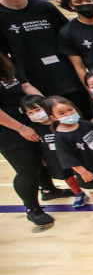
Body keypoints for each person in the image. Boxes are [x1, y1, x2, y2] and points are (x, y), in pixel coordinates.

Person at [0, 0, 91, 119]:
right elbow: (3, 58)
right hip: (36, 85)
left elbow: (68, 37)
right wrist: (25, 84)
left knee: (86, 121)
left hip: (67, 77)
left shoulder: (44, 8)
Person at [0, 61, 56, 227]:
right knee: (27, 169)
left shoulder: (6, 64)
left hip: (28, 118)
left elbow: (25, 85)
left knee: (40, 159)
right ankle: (32, 209)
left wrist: (46, 105)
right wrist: (21, 128)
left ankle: (49, 190)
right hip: (8, 130)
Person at [22, 95, 87, 208]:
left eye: (38, 110)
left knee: (84, 173)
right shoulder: (34, 128)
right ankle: (79, 194)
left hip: (73, 155)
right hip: (55, 159)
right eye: (30, 112)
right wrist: (43, 160)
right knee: (68, 178)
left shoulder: (60, 123)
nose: (35, 114)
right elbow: (37, 146)